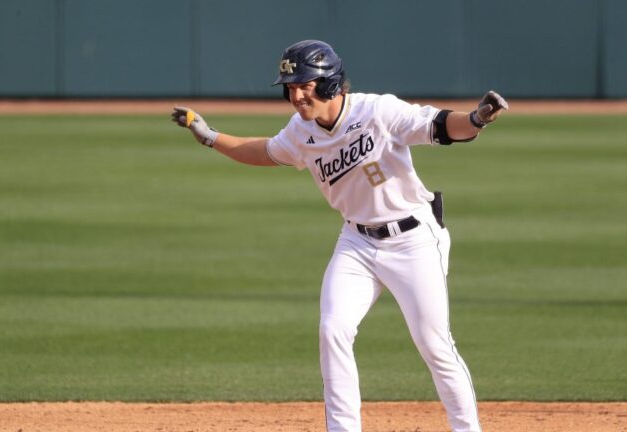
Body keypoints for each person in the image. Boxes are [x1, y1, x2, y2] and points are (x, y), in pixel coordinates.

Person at [171, 39, 507, 432]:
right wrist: (210, 136)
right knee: (333, 329)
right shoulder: (301, 131)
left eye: (304, 85)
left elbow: (439, 125)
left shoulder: (377, 111)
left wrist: (477, 119)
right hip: (357, 243)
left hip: (413, 240)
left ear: (329, 83)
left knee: (434, 344)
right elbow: (264, 151)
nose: (296, 95)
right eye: (290, 87)